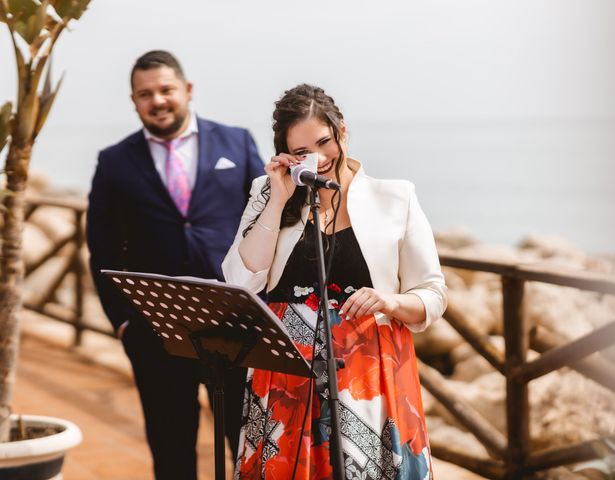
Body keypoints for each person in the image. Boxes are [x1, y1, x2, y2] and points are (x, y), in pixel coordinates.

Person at [222, 84, 447, 479]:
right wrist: (277, 199)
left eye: (324, 142)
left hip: (369, 377)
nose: (318, 158)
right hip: (284, 375)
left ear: (342, 131)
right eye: (301, 151)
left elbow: (433, 294)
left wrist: (388, 301)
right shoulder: (267, 192)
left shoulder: (395, 197)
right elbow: (241, 278)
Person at [86, 50, 265, 480]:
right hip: (156, 331)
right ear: (134, 101)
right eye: (145, 94)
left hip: (236, 325)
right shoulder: (114, 161)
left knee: (250, 451)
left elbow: (267, 221)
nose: (158, 101)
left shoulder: (236, 142)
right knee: (171, 453)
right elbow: (102, 247)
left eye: (166, 90)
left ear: (187, 90)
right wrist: (122, 323)